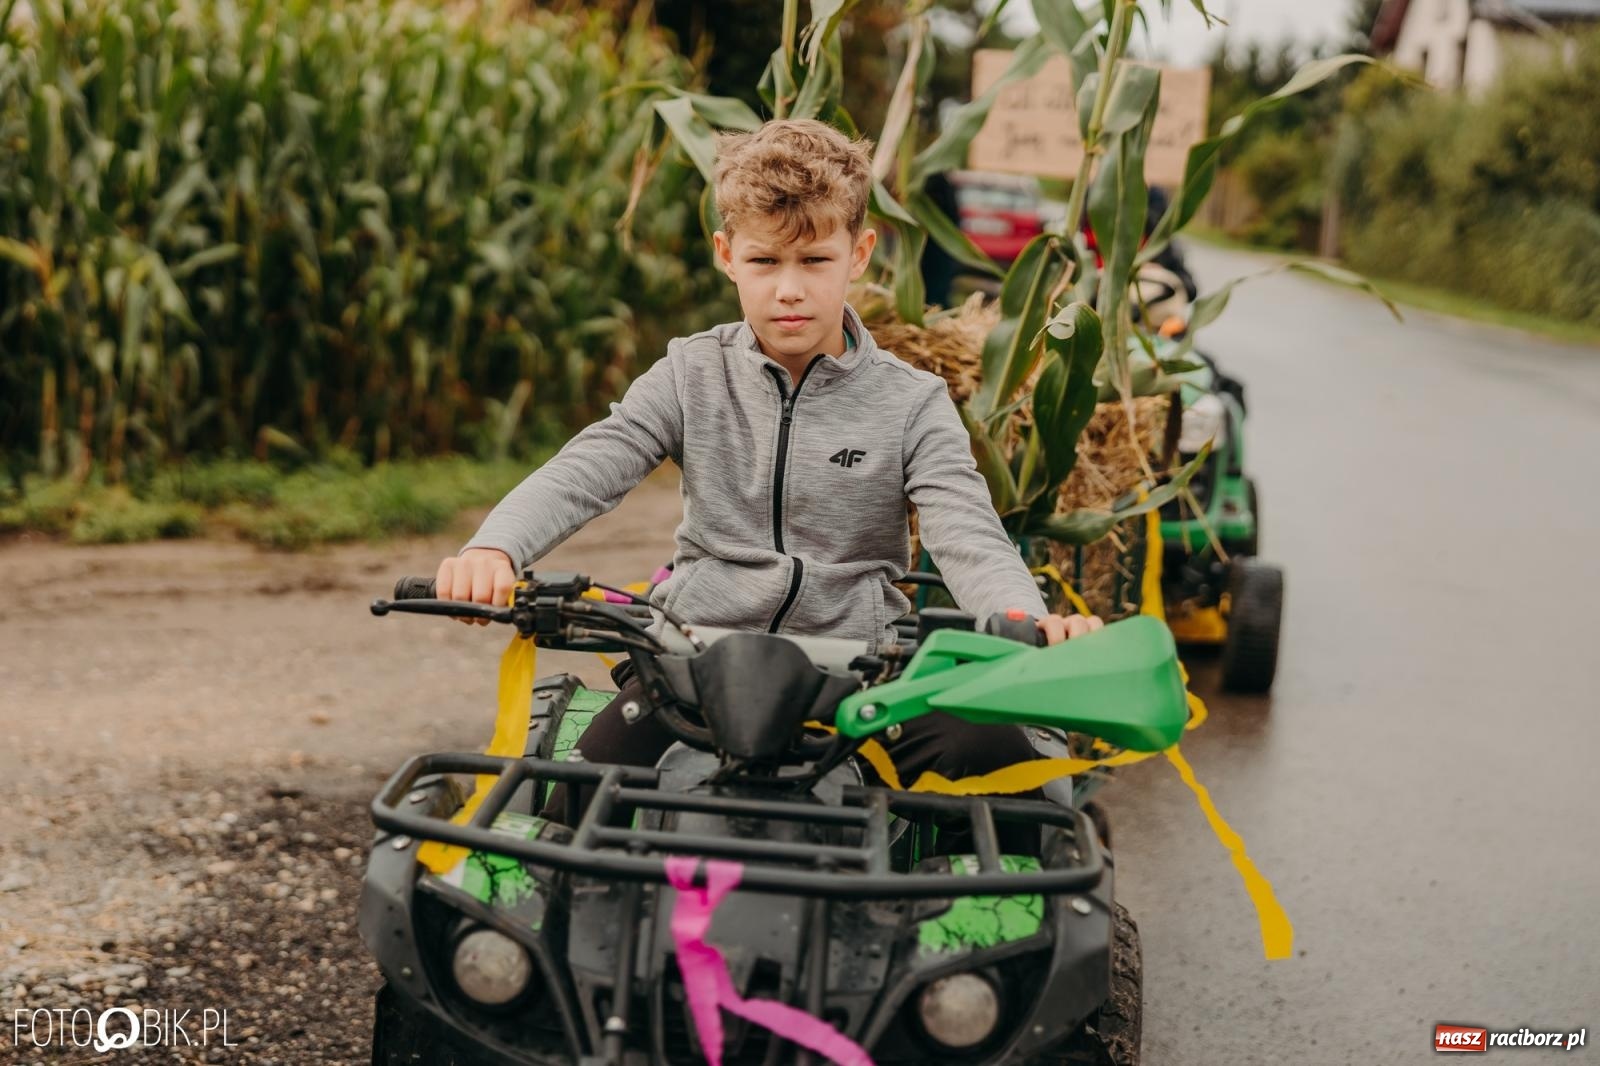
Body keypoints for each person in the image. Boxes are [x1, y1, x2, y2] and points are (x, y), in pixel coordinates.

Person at [434, 118, 1101, 811]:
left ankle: (977, 916)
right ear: (726, 254)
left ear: (860, 253)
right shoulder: (692, 373)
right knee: (572, 796)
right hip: (693, 669)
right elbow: (590, 466)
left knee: (1002, 771)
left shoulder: (912, 403)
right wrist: (495, 546)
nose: (789, 290)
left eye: (814, 261)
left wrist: (1024, 616)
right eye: (764, 262)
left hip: (863, 681)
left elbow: (966, 531)